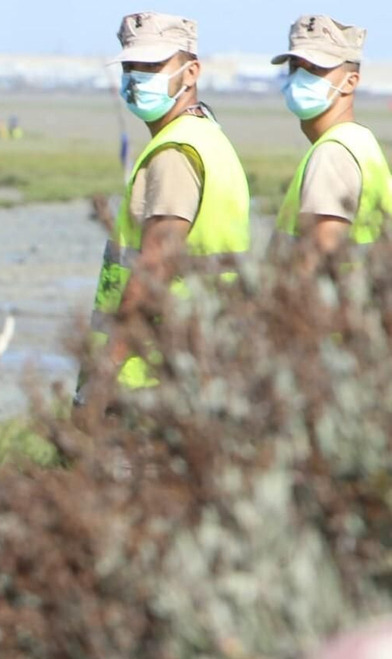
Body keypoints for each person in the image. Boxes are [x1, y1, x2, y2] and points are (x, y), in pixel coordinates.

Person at [85, 12, 250, 395]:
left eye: (153, 64)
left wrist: (100, 381)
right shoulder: (209, 138)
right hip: (197, 371)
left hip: (147, 384)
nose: (138, 76)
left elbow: (152, 272)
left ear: (191, 72)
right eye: (131, 65)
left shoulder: (176, 151)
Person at [270, 15, 392, 273]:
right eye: (295, 66)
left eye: (315, 68)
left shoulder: (332, 153)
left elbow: (316, 266)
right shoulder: (360, 141)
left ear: (350, 82)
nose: (300, 76)